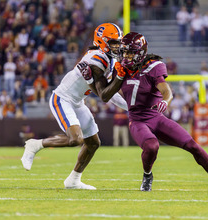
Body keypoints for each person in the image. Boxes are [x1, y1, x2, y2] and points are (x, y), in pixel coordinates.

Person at [82, 32, 208, 192]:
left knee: (193, 145)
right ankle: (147, 175)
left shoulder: (153, 67)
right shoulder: (120, 69)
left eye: (130, 52)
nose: (126, 56)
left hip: (156, 117)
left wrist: (166, 101)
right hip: (137, 120)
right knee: (152, 146)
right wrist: (91, 81)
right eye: (125, 52)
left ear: (141, 53)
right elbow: (106, 95)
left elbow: (166, 91)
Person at [21, 23, 128, 190]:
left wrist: (131, 106)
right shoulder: (96, 61)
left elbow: (109, 92)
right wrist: (132, 107)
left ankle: (73, 180)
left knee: (93, 143)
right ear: (102, 42)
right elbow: (105, 95)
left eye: (118, 42)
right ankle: (35, 144)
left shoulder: (108, 59)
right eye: (113, 42)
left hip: (77, 102)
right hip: (62, 99)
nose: (117, 46)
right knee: (76, 139)